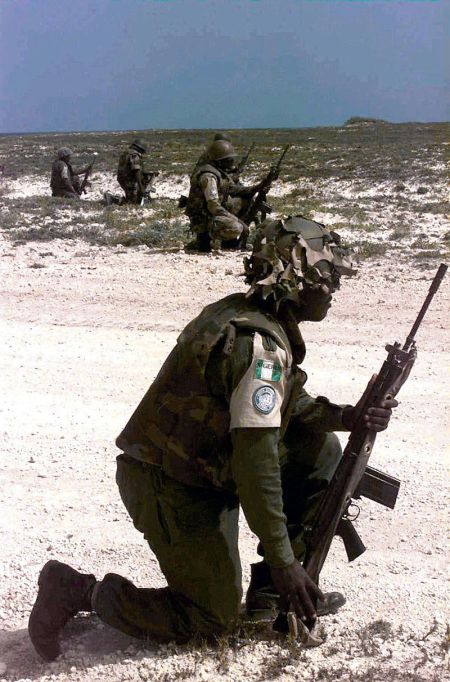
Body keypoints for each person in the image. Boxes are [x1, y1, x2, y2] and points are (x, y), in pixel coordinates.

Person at [28, 216, 397, 661]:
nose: (334, 289)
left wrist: (346, 416)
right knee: (210, 619)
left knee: (321, 451)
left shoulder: (247, 315)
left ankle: (268, 597)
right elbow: (256, 465)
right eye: (327, 278)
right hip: (171, 484)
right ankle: (76, 590)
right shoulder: (258, 347)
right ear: (297, 282)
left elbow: (284, 404)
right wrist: (285, 561)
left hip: (205, 464)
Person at [185, 139, 273, 253]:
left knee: (245, 201)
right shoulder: (209, 176)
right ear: (219, 161)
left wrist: (258, 187)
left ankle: (229, 242)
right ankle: (204, 240)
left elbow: (235, 189)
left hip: (210, 213)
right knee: (236, 227)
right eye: (228, 160)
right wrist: (239, 221)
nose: (232, 163)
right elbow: (213, 206)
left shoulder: (219, 172)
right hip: (203, 218)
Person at [116, 139, 151, 205]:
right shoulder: (135, 155)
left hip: (122, 179)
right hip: (129, 181)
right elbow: (136, 171)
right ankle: (116, 200)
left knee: (131, 196)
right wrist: (141, 188)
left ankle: (124, 199)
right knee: (134, 202)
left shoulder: (125, 153)